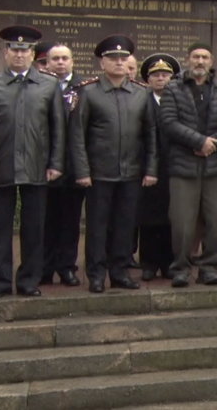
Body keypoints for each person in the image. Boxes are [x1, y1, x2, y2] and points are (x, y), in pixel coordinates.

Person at [0, 26, 65, 299]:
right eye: (14, 49)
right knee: (0, 228)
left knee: (34, 228)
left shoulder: (48, 85)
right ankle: (0, 282)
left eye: (25, 50)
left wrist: (56, 163)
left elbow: (58, 128)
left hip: (37, 166)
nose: (19, 55)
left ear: (32, 54)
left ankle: (28, 281)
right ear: (6, 52)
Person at [67, 35, 158, 293]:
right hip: (99, 173)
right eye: (113, 58)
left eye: (123, 58)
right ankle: (96, 274)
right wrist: (82, 171)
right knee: (97, 226)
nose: (119, 63)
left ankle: (120, 273)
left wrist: (151, 169)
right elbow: (77, 136)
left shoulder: (142, 93)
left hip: (131, 172)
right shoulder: (88, 92)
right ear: (102, 63)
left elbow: (151, 134)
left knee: (125, 226)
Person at [160, 42, 217, 287]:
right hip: (184, 166)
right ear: (188, 59)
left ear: (211, 61)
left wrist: (213, 144)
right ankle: (181, 269)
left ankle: (210, 268)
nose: (200, 61)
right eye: (196, 57)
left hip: (215, 165)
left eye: (205, 57)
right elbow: (168, 122)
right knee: (183, 223)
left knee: (215, 222)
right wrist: (198, 141)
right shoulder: (173, 89)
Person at [42, 43, 86, 288]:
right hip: (45, 165)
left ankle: (67, 268)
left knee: (70, 222)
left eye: (64, 58)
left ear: (72, 61)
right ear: (47, 63)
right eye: (55, 59)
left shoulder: (85, 88)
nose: (60, 62)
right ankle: (45, 268)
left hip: (72, 166)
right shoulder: (41, 86)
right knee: (46, 221)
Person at [138, 53, 179, 281]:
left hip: (174, 165)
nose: (161, 79)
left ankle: (169, 263)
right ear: (148, 80)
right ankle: (149, 263)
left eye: (165, 75)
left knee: (172, 217)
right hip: (148, 167)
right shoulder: (141, 100)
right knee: (149, 217)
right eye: (156, 75)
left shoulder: (178, 101)